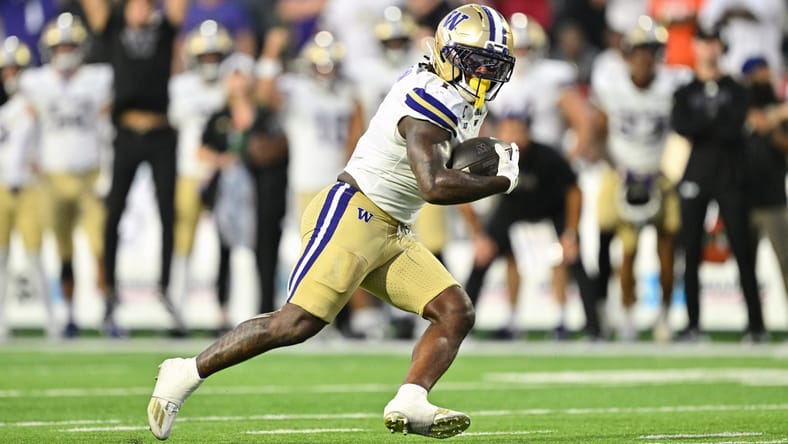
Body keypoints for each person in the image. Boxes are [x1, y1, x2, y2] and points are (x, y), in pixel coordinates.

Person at [147, 4, 518, 440]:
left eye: (493, 67)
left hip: (394, 228)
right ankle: (186, 371)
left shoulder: (461, 96)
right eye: (474, 62)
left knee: (454, 311)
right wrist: (500, 181)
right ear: (445, 53)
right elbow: (434, 185)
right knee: (296, 323)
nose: (483, 75)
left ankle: (410, 400)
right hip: (353, 213)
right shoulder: (431, 95)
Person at [80, 0, 190, 334]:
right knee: (113, 213)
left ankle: (167, 290)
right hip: (126, 132)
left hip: (160, 132)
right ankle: (110, 293)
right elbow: (94, 9)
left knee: (167, 214)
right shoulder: (114, 28)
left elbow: (177, 9)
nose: (142, 12)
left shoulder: (162, 32)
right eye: (136, 6)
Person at [591, 19, 689, 342]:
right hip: (623, 171)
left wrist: (670, 168)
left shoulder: (673, 85)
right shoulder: (612, 84)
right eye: (639, 51)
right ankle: (627, 313)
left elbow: (684, 131)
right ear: (628, 54)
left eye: (650, 51)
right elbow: (599, 133)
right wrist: (615, 168)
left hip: (660, 173)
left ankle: (663, 314)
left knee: (667, 246)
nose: (644, 58)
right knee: (624, 249)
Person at [460, 116, 599, 340]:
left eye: (517, 131)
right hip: (512, 210)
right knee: (481, 257)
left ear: (527, 134)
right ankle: (461, 327)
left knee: (573, 258)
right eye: (508, 131)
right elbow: (462, 191)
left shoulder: (547, 157)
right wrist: (478, 235)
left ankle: (593, 328)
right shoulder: (490, 158)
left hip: (552, 209)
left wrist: (571, 233)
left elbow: (574, 191)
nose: (513, 137)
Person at [20, 13, 113, 337]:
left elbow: (105, 127)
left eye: (70, 44)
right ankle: (70, 314)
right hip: (53, 175)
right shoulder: (35, 82)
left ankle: (106, 312)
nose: (64, 51)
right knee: (64, 252)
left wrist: (107, 170)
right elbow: (23, 122)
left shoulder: (97, 78)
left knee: (100, 247)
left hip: (89, 173)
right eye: (59, 46)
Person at [671, 26, 766, 342]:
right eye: (704, 42)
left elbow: (734, 127)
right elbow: (682, 125)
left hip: (730, 176)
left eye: (714, 42)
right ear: (696, 47)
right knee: (691, 250)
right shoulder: (685, 91)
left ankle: (755, 325)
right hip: (697, 174)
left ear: (720, 47)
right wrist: (717, 119)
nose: (709, 49)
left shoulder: (736, 88)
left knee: (742, 249)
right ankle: (694, 323)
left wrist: (708, 122)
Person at [199, 53, 289, 334]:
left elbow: (278, 147)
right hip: (229, 197)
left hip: (262, 195)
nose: (238, 82)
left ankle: (264, 311)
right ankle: (222, 311)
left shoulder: (265, 115)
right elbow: (201, 149)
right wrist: (223, 160)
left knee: (265, 252)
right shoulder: (219, 116)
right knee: (224, 251)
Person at [168, 20, 232, 315]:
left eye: (215, 56)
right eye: (205, 56)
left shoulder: (230, 84)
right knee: (184, 240)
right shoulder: (181, 86)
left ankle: (225, 308)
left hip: (224, 174)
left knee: (227, 242)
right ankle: (177, 307)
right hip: (190, 170)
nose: (210, 62)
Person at [0, 37, 52, 340]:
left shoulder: (34, 102)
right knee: (2, 257)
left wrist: (40, 161)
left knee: (34, 255)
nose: (10, 75)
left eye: (15, 69)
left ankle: (50, 318)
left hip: (29, 188)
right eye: (6, 70)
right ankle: (2, 320)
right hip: (2, 185)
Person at [740, 56, 788, 311]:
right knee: (746, 266)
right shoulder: (738, 110)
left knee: (787, 262)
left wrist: (771, 125)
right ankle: (754, 323)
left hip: (774, 199)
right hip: (743, 198)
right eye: (759, 73)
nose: (764, 77)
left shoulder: (778, 111)